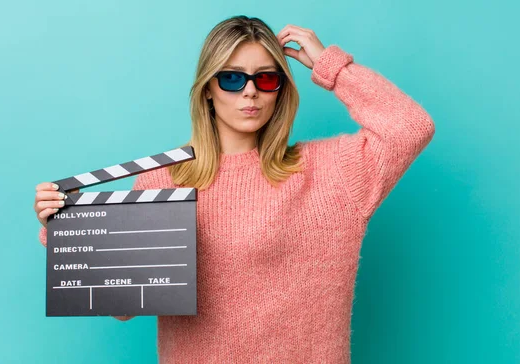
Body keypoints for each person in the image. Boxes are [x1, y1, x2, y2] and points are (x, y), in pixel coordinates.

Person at [33, 15, 435, 363]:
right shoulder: (164, 182)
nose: (250, 91)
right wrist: (69, 233)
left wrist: (332, 66)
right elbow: (123, 308)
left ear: (280, 87)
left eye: (266, 77)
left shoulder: (332, 172)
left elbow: (409, 128)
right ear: (208, 87)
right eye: (231, 77)